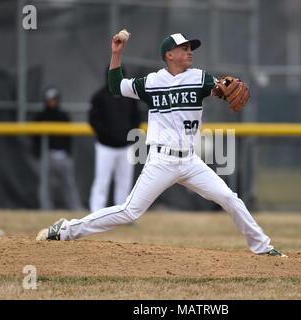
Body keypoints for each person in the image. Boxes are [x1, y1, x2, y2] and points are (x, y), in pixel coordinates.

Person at [36, 32, 286, 257]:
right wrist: (117, 53)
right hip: (161, 161)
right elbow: (115, 87)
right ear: (169, 54)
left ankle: (263, 247)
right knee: (129, 212)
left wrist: (225, 88)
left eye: (191, 48)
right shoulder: (152, 82)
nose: (190, 52)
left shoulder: (199, 78)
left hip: (189, 161)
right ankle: (66, 230)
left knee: (229, 198)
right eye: (184, 48)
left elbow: (221, 88)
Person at [88, 66, 141, 212]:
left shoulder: (130, 97)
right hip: (105, 146)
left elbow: (136, 118)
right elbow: (94, 121)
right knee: (102, 180)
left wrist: (128, 136)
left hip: (126, 146)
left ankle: (122, 213)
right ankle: (96, 211)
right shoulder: (99, 97)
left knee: (124, 181)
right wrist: (107, 136)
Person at [32, 86, 83, 211]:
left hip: (63, 155)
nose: (52, 102)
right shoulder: (40, 117)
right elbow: (35, 138)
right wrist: (38, 155)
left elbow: (69, 137)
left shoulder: (63, 116)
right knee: (46, 185)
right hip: (47, 155)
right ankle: (46, 209)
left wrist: (68, 152)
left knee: (69, 184)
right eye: (49, 100)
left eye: (54, 99)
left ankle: (75, 208)